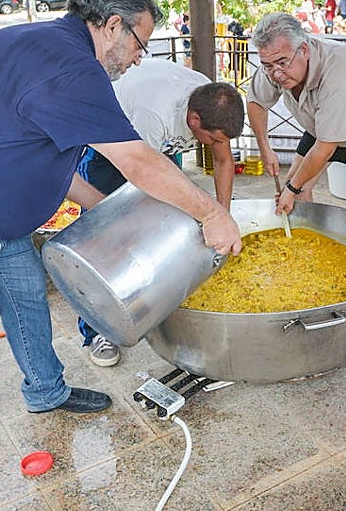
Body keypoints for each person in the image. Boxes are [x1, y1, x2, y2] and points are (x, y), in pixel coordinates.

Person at [0, 0, 241, 491]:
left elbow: (47, 158)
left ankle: (46, 391)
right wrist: (213, 215)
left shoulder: (44, 47)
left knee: (27, 305)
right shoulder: (70, 68)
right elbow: (136, 160)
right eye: (139, 44)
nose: (137, 59)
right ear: (112, 26)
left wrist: (109, 213)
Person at [74, 57, 247, 366]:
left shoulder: (211, 101)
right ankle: (97, 332)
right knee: (109, 236)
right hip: (113, 147)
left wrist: (223, 215)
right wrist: (205, 214)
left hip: (160, 150)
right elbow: (141, 179)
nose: (216, 145)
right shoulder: (153, 112)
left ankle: (157, 302)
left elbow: (223, 162)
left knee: (173, 222)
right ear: (194, 120)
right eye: (214, 139)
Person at [246, 12, 346, 322]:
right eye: (268, 65)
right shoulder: (274, 67)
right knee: (300, 189)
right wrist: (265, 148)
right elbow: (255, 102)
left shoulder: (340, 72)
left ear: (304, 49)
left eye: (282, 63)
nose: (276, 74)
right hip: (322, 124)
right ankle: (309, 254)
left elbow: (325, 148)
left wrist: (292, 187)